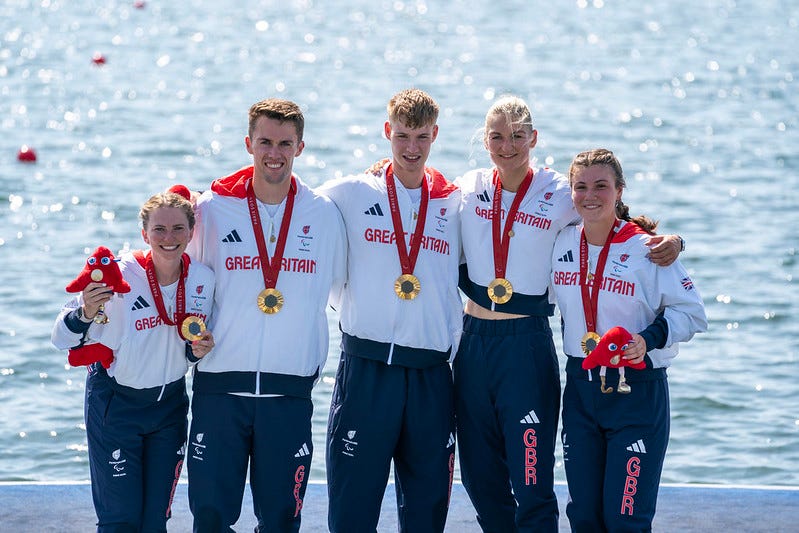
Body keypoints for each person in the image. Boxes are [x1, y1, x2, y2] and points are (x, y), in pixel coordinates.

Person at [454, 96, 683, 532]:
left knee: (531, 482)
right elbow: (419, 197)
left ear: (533, 138)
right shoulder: (467, 187)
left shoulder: (560, 190)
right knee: (480, 479)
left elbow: (607, 212)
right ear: (485, 141)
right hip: (473, 343)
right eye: (498, 136)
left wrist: (672, 240)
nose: (508, 146)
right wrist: (380, 171)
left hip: (526, 345)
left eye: (518, 136)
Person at [184, 98, 346, 532]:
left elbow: (347, 288)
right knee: (212, 518)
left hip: (288, 394)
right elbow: (184, 283)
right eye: (265, 142)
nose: (274, 153)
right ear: (248, 144)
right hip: (220, 390)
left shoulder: (324, 213)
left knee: (280, 520)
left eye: (285, 144)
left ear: (301, 147)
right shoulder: (211, 210)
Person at [319, 88, 462, 533]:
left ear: (435, 134)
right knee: (352, 508)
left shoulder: (454, 202)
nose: (412, 148)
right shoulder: (350, 191)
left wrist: (656, 239)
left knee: (426, 510)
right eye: (402, 136)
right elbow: (281, 198)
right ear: (387, 132)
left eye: (421, 136)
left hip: (430, 377)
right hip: (367, 370)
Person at [551, 147, 707, 531]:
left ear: (619, 191)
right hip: (581, 391)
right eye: (581, 186)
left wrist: (647, 339)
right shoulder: (561, 244)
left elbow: (693, 313)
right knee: (585, 518)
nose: (590, 196)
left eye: (601, 186)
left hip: (636, 393)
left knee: (625, 521)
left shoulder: (647, 249)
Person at [52, 190, 216, 532]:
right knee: (120, 521)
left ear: (191, 231)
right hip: (117, 407)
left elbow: (182, 344)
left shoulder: (203, 278)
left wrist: (195, 350)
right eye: (159, 229)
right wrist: (85, 311)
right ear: (144, 234)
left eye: (177, 229)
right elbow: (60, 339)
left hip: (169, 408)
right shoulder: (121, 276)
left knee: (155, 521)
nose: (168, 238)